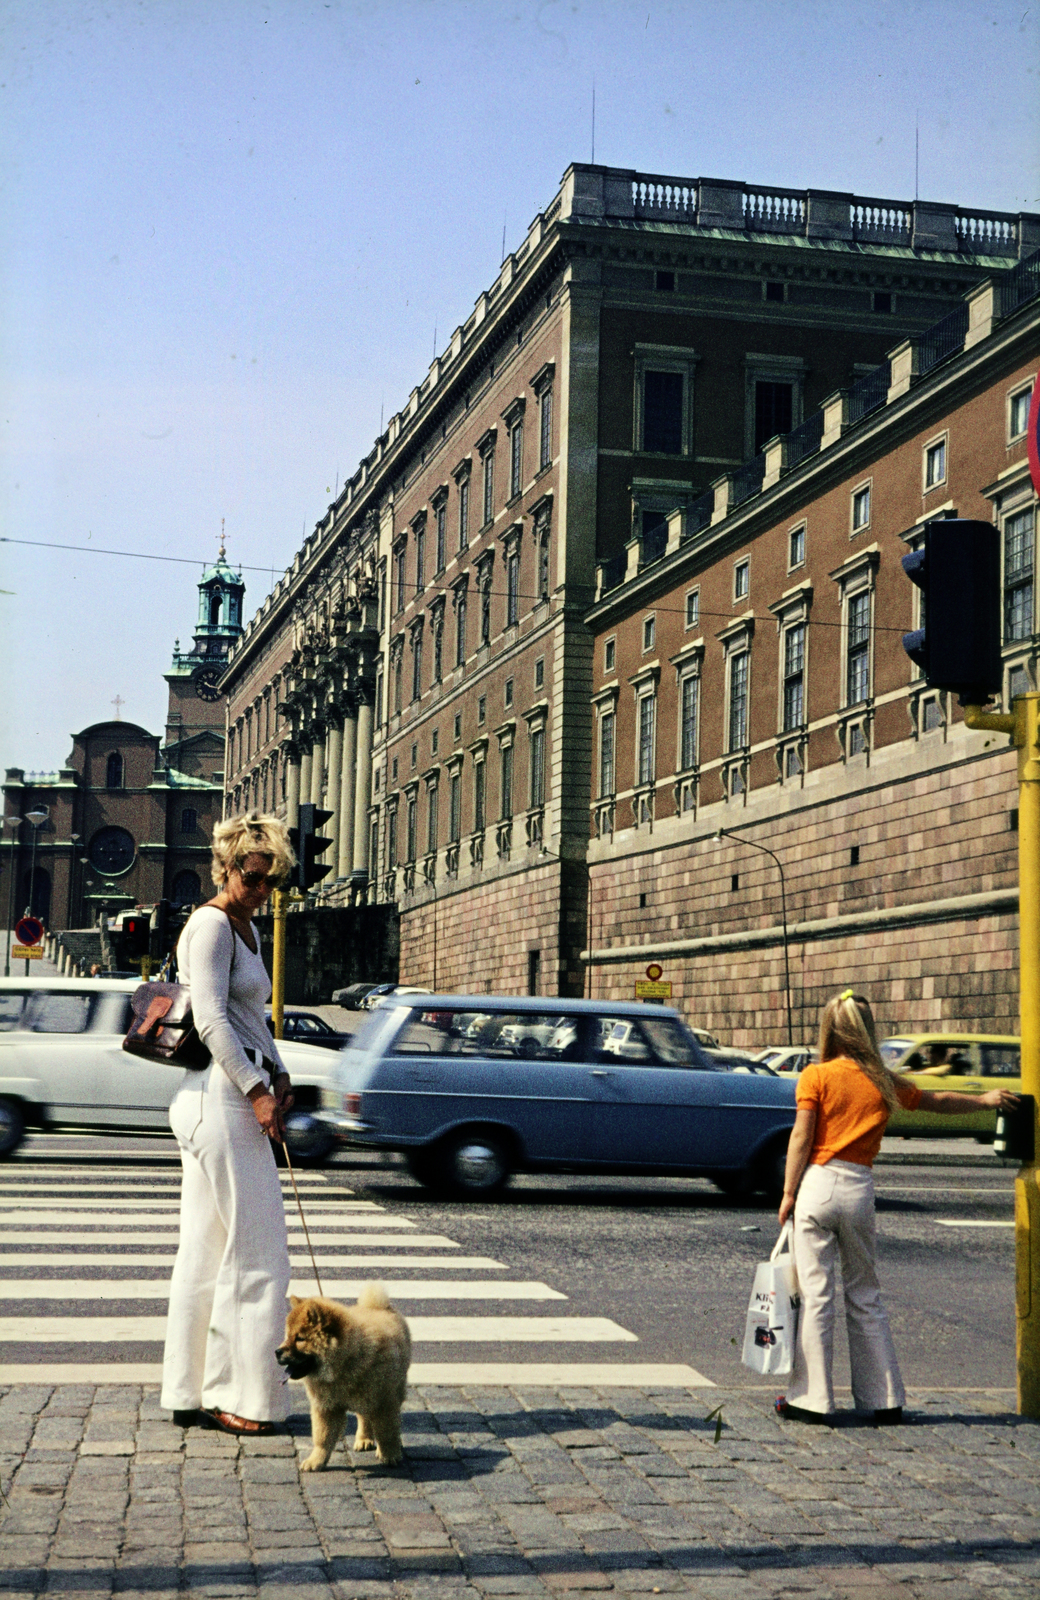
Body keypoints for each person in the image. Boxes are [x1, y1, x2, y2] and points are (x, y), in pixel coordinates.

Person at [776, 990, 1017, 1426]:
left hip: (818, 1183)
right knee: (865, 1294)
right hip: (859, 1187)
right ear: (867, 1031)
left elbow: (801, 1138)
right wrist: (984, 1101)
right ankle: (884, 1399)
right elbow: (938, 1102)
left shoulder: (816, 1076)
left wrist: (789, 1193)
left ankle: (810, 1400)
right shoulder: (883, 1080)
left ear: (830, 1028)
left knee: (817, 1297)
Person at [160, 813, 296, 1436]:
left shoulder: (244, 927)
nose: (261, 888)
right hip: (222, 1101)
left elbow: (254, 1021)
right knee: (258, 1253)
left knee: (208, 1251)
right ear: (226, 866)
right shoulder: (211, 924)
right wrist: (257, 1091)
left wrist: (281, 1071)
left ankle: (186, 1391)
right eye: (252, 875)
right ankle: (239, 1395)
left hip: (220, 1098)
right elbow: (211, 1019)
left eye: (271, 881)